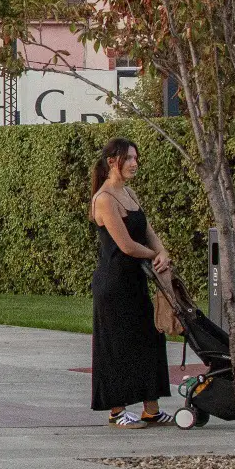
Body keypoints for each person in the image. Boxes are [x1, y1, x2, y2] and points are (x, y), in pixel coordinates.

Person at [90, 137, 174, 428]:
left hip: (136, 280)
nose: (135, 164)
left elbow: (147, 231)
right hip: (113, 284)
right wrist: (154, 257)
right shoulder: (104, 199)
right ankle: (117, 410)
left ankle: (151, 408)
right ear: (113, 162)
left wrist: (161, 252)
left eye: (136, 158)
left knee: (150, 339)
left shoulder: (129, 194)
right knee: (118, 345)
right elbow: (126, 245)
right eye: (129, 159)